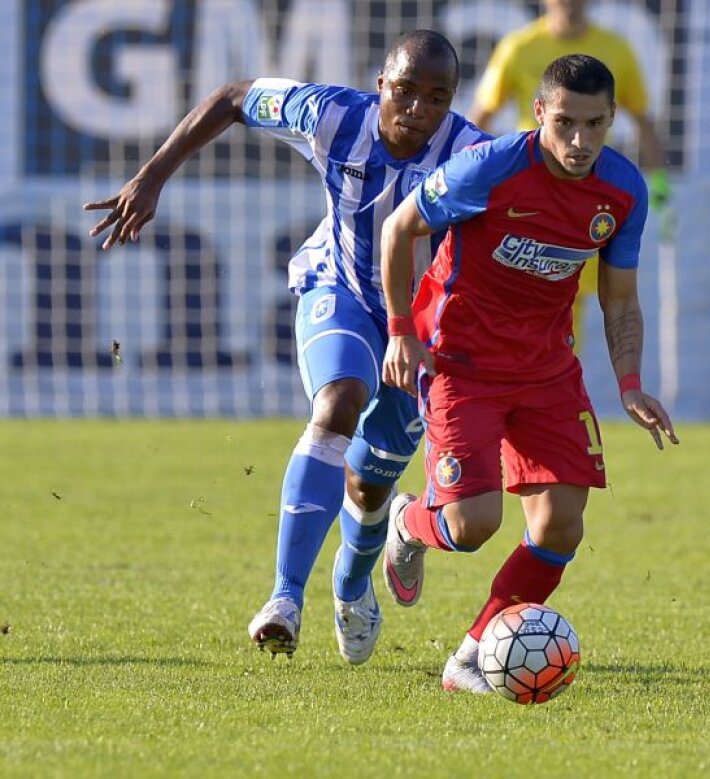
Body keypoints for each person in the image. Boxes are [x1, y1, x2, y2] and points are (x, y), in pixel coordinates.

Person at [84, 31, 488, 664]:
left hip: (425, 325)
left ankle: (352, 589)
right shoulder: (331, 114)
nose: (417, 109)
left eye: (436, 98)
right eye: (405, 91)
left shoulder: (472, 153)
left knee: (370, 485)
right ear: (381, 84)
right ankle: (283, 598)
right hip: (342, 287)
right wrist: (153, 175)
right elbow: (234, 97)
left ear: (452, 102)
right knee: (337, 403)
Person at [379, 54, 677, 692]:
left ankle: (469, 658)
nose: (580, 141)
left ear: (611, 119)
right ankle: (407, 522)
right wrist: (403, 330)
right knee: (471, 526)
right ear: (539, 112)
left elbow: (620, 298)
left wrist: (630, 384)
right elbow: (400, 228)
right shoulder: (490, 169)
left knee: (561, 526)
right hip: (462, 363)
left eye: (595, 125)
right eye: (565, 122)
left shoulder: (623, 191)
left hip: (547, 371)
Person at [469, 0, 671, 346]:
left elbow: (643, 120)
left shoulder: (616, 49)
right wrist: (471, 181)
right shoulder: (518, 48)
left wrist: (663, 185)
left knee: (567, 310)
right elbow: (480, 117)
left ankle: (557, 392)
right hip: (523, 199)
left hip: (582, 200)